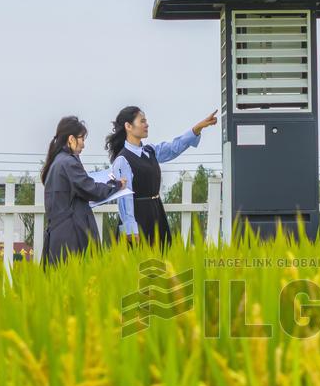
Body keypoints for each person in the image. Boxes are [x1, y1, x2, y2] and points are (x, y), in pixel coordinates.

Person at [105, 106, 218, 249]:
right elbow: (124, 198)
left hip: (156, 212)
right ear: (128, 126)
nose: (147, 124)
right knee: (138, 259)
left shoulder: (150, 151)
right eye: (142, 121)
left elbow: (174, 147)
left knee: (161, 258)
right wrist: (130, 229)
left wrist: (197, 128)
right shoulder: (122, 160)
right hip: (138, 217)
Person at [41, 115, 126, 266]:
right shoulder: (68, 163)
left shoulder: (56, 162)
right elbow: (91, 189)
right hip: (72, 235)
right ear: (71, 139)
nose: (83, 145)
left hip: (58, 234)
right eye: (82, 139)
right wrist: (116, 185)